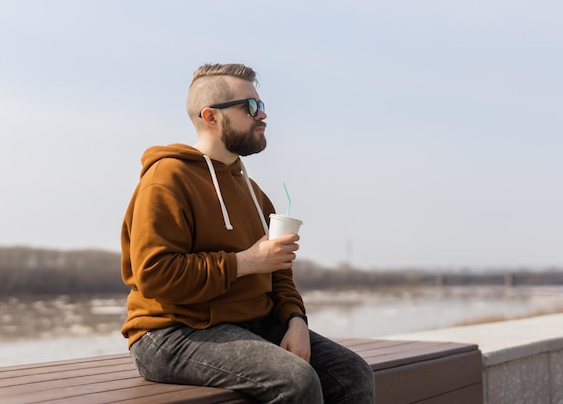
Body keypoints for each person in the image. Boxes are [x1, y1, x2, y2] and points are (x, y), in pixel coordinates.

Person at [120, 63, 374, 403]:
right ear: (211, 116)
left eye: (262, 105)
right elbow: (155, 275)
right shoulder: (166, 180)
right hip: (171, 332)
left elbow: (278, 269)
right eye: (250, 107)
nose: (263, 115)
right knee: (296, 381)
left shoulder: (253, 192)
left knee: (352, 374)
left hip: (252, 323)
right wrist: (245, 262)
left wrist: (295, 320)